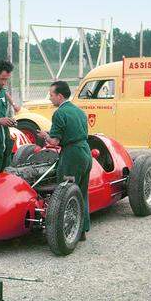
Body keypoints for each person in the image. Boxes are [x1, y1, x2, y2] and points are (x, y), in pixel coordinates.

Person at [37, 81, 92, 240]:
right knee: (81, 193)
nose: (50, 99)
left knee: (65, 194)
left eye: (52, 95)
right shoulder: (79, 111)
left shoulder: (59, 113)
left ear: (60, 96)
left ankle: (67, 233)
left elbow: (54, 142)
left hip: (72, 156)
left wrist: (45, 136)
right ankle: (81, 231)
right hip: (85, 152)